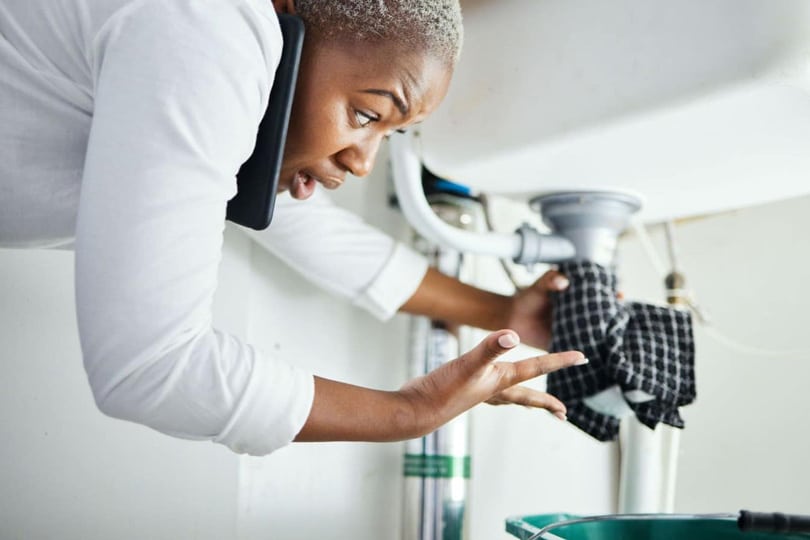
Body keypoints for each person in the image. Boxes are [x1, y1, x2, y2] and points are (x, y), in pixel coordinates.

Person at [0, 0, 584, 456]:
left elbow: (312, 233)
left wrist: (502, 312)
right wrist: (411, 413)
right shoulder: (212, 30)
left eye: (390, 133)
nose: (362, 163)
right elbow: (154, 367)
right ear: (286, 25)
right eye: (365, 114)